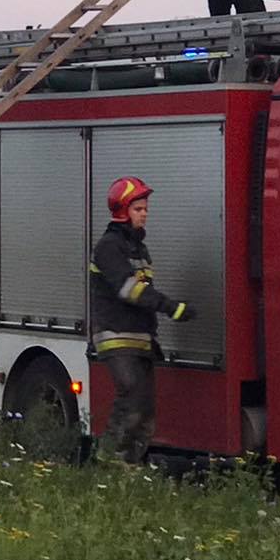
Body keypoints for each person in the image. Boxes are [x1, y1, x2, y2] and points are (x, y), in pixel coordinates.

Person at [88, 176, 194, 463]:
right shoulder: (109, 247)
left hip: (140, 337)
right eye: (138, 209)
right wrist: (169, 306)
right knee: (131, 396)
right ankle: (109, 462)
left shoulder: (139, 249)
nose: (144, 214)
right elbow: (129, 289)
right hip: (116, 334)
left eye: (145, 208)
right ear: (122, 211)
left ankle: (130, 465)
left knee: (145, 410)